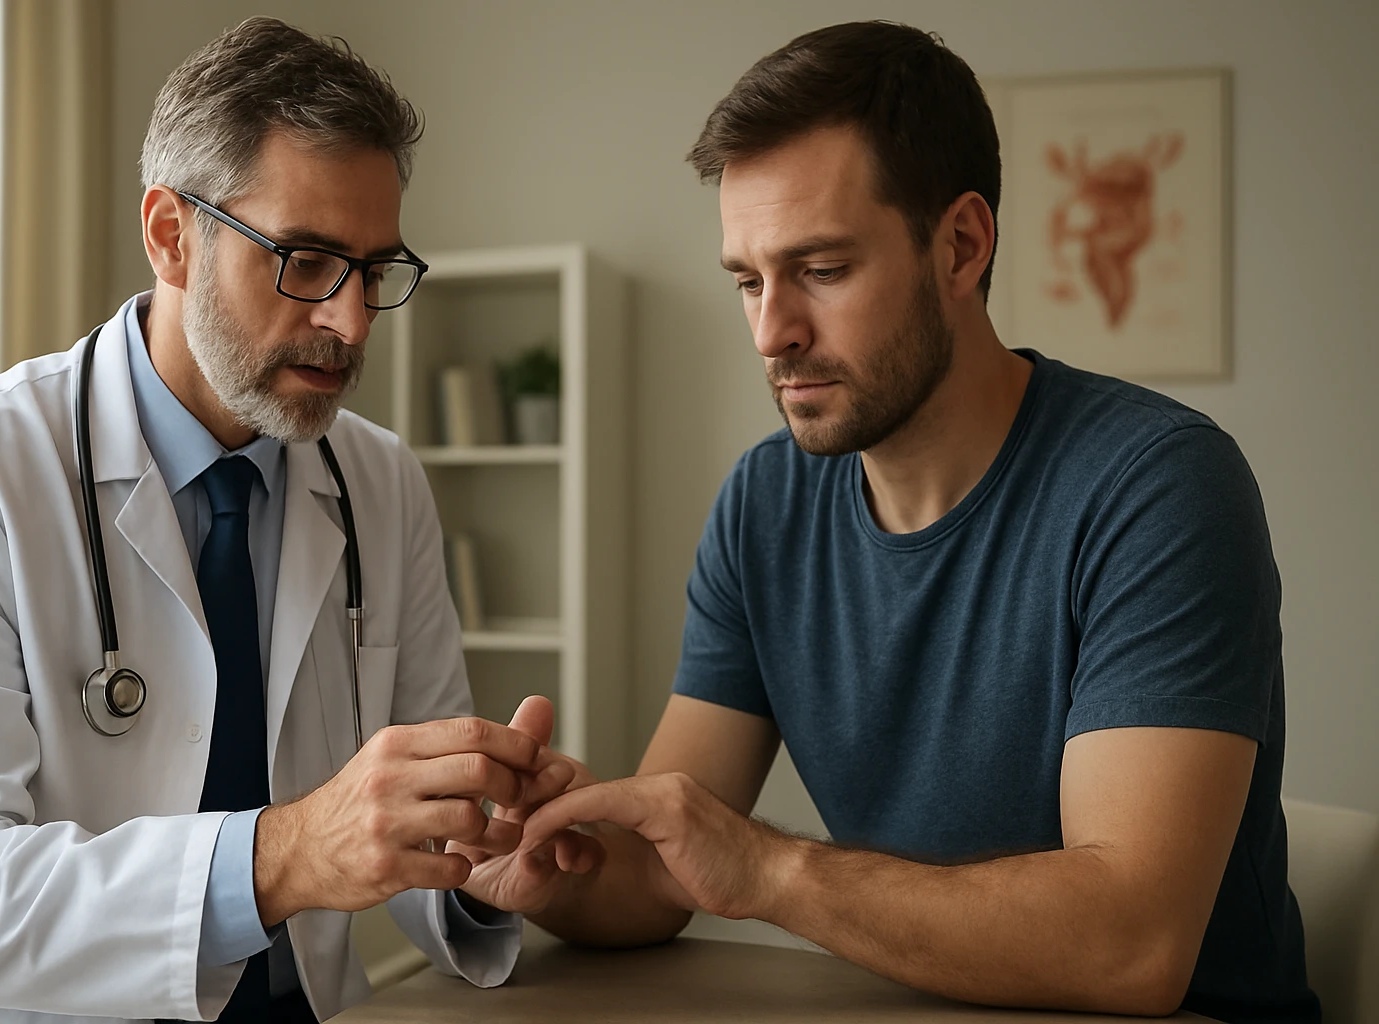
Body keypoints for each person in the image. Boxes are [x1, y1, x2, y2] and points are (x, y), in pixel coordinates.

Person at [508, 21, 1320, 1022]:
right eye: (748, 280)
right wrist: (546, 857)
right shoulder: (764, 508)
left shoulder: (1157, 487)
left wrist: (770, 869)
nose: (772, 332)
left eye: (823, 269)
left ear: (962, 246)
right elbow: (662, 869)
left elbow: (1131, 943)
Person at [0, 18, 593, 1023]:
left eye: (373, 271)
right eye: (306, 260)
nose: (350, 321)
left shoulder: (381, 481)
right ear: (169, 234)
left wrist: (474, 857)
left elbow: (398, 836)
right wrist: (283, 854)